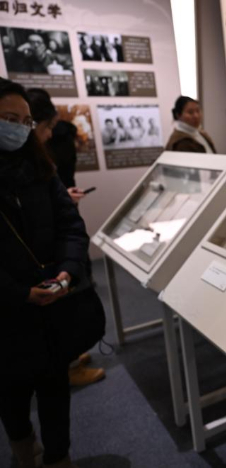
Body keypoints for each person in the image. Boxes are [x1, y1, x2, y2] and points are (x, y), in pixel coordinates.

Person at [0, 78, 89, 468]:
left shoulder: (41, 168)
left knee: (55, 388)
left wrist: (67, 272)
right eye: (9, 119)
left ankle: (58, 457)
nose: (20, 129)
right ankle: (24, 452)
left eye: (25, 121)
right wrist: (19, 293)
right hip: (6, 313)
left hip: (51, 303)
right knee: (11, 392)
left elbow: (70, 226)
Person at [27, 88, 106, 388]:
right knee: (60, 312)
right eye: (46, 127)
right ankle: (67, 365)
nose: (49, 134)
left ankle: (70, 357)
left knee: (71, 303)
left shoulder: (38, 159)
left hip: (58, 250)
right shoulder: (28, 161)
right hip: (44, 256)